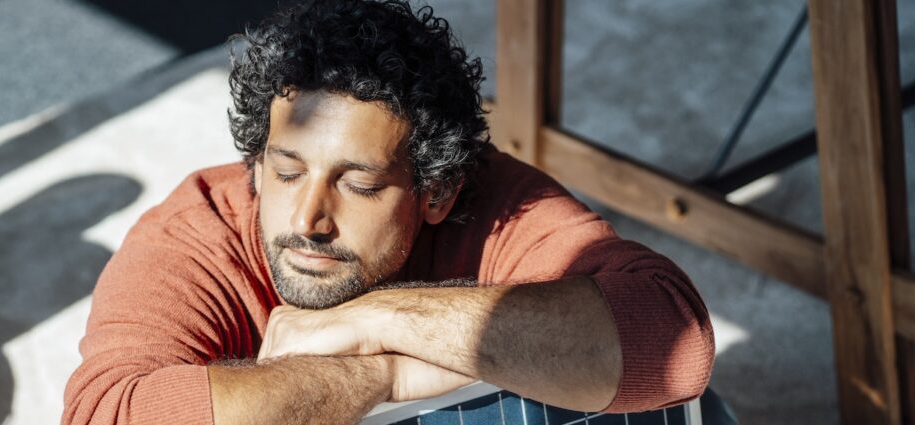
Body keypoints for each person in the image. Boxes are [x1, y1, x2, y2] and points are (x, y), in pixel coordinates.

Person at [62, 1, 715, 424]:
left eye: (361, 183)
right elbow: (106, 413)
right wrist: (374, 370)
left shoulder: (491, 201)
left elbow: (674, 342)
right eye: (286, 171)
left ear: (437, 192)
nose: (308, 217)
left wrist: (377, 326)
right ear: (257, 163)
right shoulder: (194, 233)